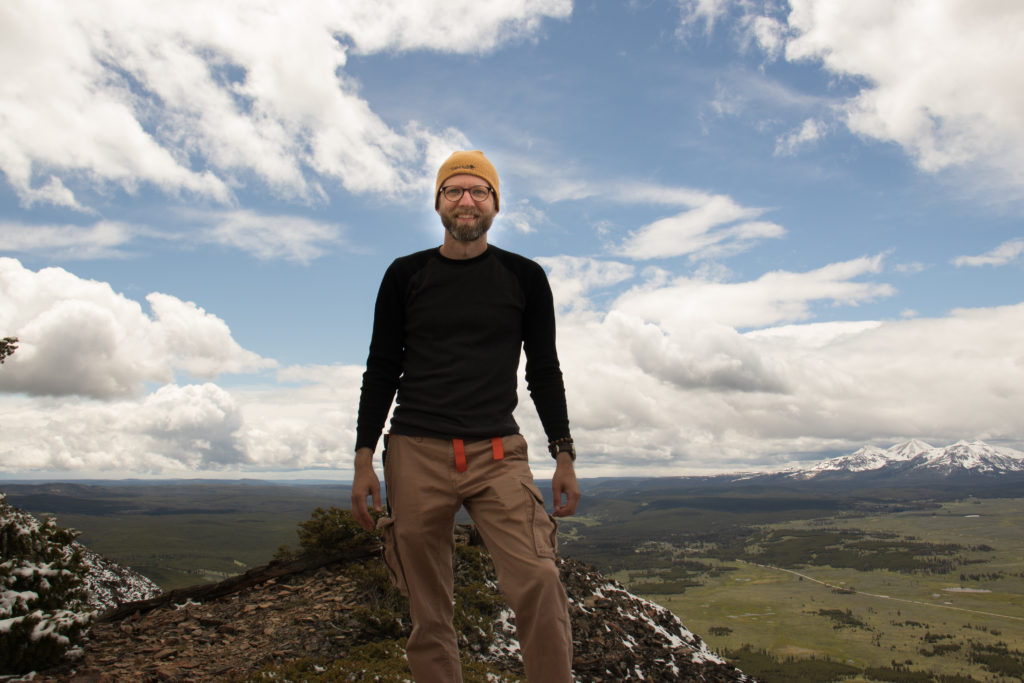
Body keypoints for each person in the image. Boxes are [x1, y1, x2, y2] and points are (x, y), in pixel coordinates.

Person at [350, 150, 580, 682]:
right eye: (454, 190)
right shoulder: (405, 275)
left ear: (495, 204)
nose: (466, 200)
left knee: (540, 579)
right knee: (428, 610)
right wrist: (364, 460)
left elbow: (543, 369)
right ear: (438, 203)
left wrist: (563, 453)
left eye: (479, 191)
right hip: (415, 452)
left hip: (498, 452)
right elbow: (381, 370)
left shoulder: (523, 277)